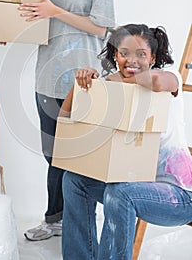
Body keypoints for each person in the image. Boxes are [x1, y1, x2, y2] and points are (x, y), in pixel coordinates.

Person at [18, 0, 115, 241]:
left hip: (83, 78)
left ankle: (81, 223)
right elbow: (37, 17)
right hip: (47, 77)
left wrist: (56, 10)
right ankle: (55, 221)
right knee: (53, 156)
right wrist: (10, 28)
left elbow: (101, 26)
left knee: (80, 156)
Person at [60, 24, 192, 260]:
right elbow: (66, 118)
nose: (132, 60)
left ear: (153, 57)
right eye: (124, 53)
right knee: (73, 180)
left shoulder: (171, 80)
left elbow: (157, 82)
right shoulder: (113, 88)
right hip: (131, 187)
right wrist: (81, 84)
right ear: (115, 55)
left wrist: (112, 81)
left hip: (180, 195)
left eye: (141, 54)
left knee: (120, 192)